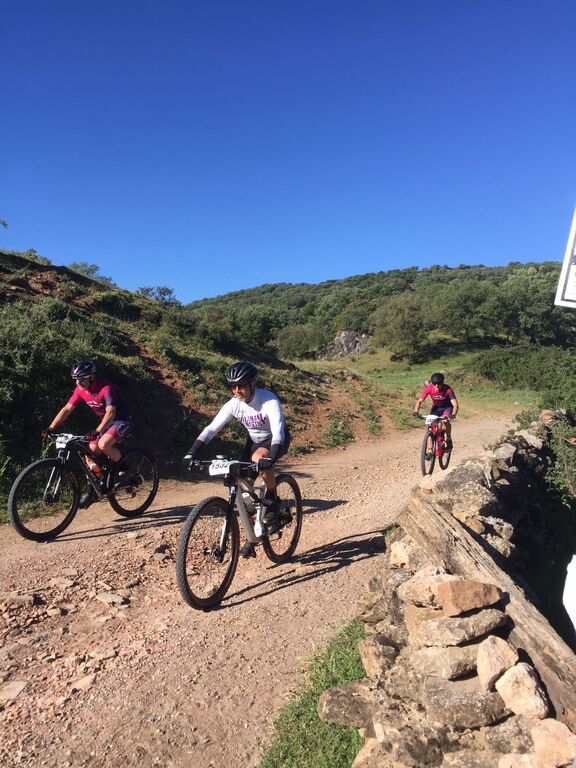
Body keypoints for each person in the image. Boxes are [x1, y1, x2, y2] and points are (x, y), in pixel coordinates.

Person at [183, 361, 290, 558]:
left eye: (241, 385)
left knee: (259, 458)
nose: (237, 390)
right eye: (232, 386)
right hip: (254, 441)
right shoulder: (233, 404)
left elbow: (278, 433)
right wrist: (192, 452)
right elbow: (212, 428)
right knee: (243, 490)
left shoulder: (268, 400)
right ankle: (254, 535)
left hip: (275, 440)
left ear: (253, 383)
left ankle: (272, 497)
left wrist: (272, 457)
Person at [42, 361, 133, 508]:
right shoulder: (80, 390)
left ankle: (124, 469)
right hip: (107, 423)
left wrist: (97, 431)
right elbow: (67, 409)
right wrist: (51, 427)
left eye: (81, 378)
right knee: (90, 451)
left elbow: (111, 412)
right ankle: (95, 488)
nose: (78, 382)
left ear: (91, 377)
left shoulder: (106, 388)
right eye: (75, 379)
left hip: (122, 420)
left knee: (103, 444)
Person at [412, 372, 458, 457]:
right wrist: (416, 411)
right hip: (436, 408)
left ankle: (448, 439)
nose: (437, 386)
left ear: (442, 383)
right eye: (434, 384)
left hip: (447, 407)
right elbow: (419, 401)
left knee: (445, 421)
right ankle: (430, 450)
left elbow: (455, 405)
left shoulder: (448, 389)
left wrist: (453, 414)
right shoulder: (429, 388)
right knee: (430, 427)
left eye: (439, 384)